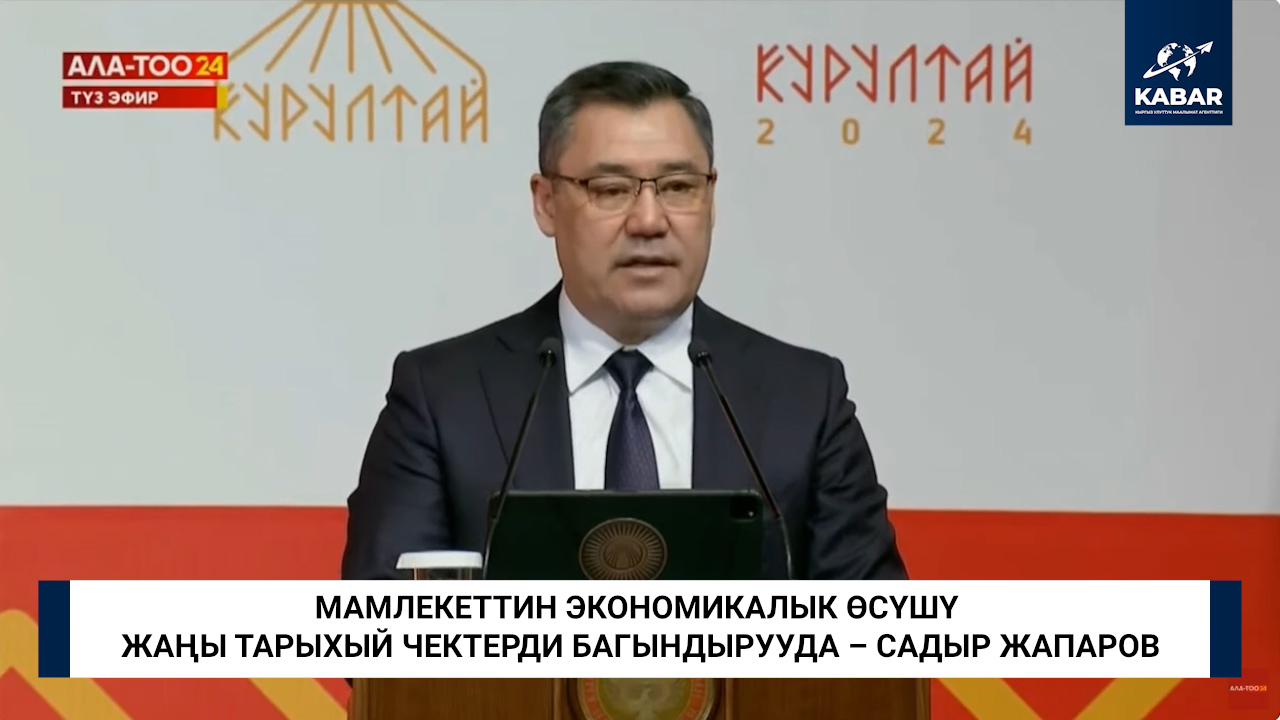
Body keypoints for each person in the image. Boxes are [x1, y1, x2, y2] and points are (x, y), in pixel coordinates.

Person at [340, 60, 907, 581]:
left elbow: (875, 639)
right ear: (546, 202)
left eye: (679, 187)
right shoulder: (442, 398)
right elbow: (379, 633)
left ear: (711, 198)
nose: (649, 220)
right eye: (611, 190)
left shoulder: (805, 400)